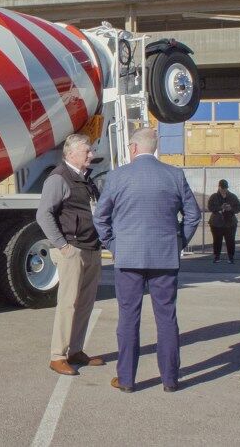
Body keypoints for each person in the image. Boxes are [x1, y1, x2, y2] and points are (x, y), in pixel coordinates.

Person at [93, 128, 201, 393]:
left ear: (132, 148)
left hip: (128, 257)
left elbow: (100, 217)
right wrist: (178, 243)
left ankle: (127, 380)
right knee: (167, 318)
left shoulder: (118, 177)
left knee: (128, 318)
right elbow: (193, 215)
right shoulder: (174, 175)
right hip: (164, 257)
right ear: (154, 148)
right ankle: (170, 380)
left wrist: (114, 244)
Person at [36, 134, 105, 376]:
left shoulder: (86, 180)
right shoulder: (58, 178)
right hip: (73, 250)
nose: (91, 155)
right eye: (87, 151)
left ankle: (76, 351)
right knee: (68, 304)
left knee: (85, 304)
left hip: (92, 248)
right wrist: (63, 246)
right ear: (71, 153)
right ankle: (57, 356)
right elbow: (43, 214)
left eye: (90, 151)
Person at [207, 179, 240, 264]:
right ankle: (216, 257)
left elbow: (238, 208)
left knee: (230, 241)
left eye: (225, 188)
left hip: (230, 223)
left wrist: (231, 209)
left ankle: (231, 257)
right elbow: (210, 207)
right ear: (219, 187)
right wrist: (220, 208)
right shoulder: (214, 196)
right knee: (217, 240)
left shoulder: (232, 196)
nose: (223, 190)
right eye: (222, 188)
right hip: (216, 223)